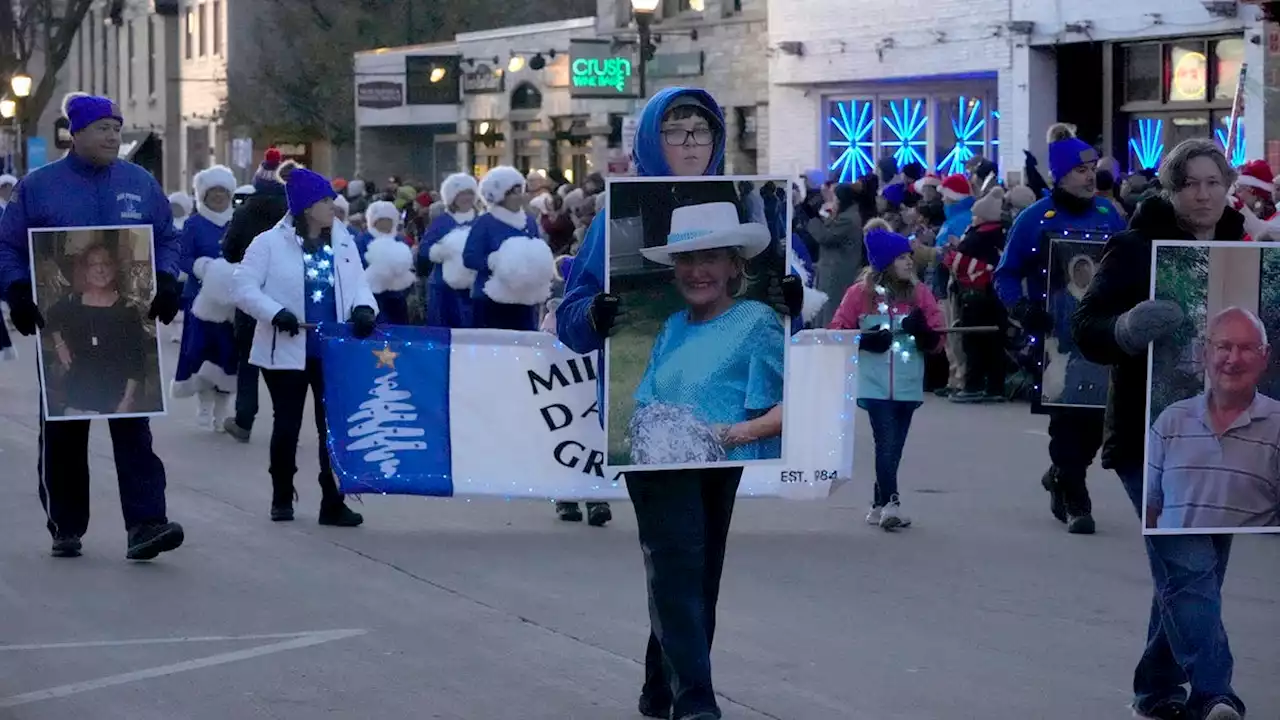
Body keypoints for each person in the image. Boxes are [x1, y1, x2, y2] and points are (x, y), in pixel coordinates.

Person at [557, 86, 802, 720]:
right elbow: (573, 316)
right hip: (653, 441)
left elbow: (785, 337)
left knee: (699, 570)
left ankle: (659, 686)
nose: (690, 143)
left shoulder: (741, 204)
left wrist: (795, 302)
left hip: (721, 440)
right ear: (650, 140)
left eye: (700, 131)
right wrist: (596, 313)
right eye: (676, 132)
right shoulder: (618, 213)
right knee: (676, 560)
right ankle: (697, 704)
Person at [1073, 138, 1249, 720]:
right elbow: (1086, 327)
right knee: (1187, 563)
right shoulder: (1133, 247)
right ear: (1171, 191)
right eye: (1191, 183)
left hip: (1229, 435)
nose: (1203, 194)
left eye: (1213, 183)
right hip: (1148, 434)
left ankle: (1154, 691)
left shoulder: (1244, 249)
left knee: (1194, 570)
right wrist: (1125, 327)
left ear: (1229, 189)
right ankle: (1214, 695)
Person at [0, 91, 184, 560]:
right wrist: (18, 291)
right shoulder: (39, 187)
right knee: (65, 429)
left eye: (118, 128)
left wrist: (166, 279)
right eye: (103, 128)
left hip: (126, 325)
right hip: (66, 326)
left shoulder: (139, 183)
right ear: (75, 133)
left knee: (133, 425)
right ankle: (67, 523)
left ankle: (146, 524)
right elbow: (8, 247)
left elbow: (166, 237)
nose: (113, 136)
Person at [995, 122, 1127, 535]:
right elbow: (1005, 274)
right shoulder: (1035, 218)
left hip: (1103, 336)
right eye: (1080, 169)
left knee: (1094, 423)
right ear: (1060, 174)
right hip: (1056, 338)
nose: (1090, 175)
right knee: (1066, 420)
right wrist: (1021, 308)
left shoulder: (1110, 213)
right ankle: (1075, 495)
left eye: (1092, 167)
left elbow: (1129, 265)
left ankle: (1060, 474)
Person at [232, 167, 376, 526]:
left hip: (333, 350)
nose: (333, 206)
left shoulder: (344, 241)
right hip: (286, 348)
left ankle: (333, 499)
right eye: (325, 200)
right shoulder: (268, 243)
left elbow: (360, 283)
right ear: (306, 206)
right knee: (287, 425)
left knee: (332, 427)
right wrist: (274, 312)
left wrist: (364, 308)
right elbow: (244, 288)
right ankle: (282, 496)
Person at [627, 202, 787, 464]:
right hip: (668, 479)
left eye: (710, 257)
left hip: (731, 480)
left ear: (734, 265)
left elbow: (794, 402)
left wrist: (728, 435)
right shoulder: (672, 327)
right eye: (686, 259)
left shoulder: (756, 321)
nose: (696, 271)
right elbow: (646, 405)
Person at [829, 226, 944, 529]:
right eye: (902, 257)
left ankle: (877, 504)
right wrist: (864, 340)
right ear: (885, 263)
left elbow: (938, 339)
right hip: (874, 384)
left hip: (907, 384)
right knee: (886, 442)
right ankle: (892, 503)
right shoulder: (859, 295)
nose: (909, 262)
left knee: (894, 447)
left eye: (910, 256)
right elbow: (838, 330)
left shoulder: (920, 294)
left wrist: (924, 334)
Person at [1147, 307, 1280, 530]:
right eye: (1224, 347)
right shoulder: (1170, 421)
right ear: (1205, 354)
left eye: (1246, 348)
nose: (1234, 359)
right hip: (1175, 563)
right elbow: (1148, 510)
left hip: (1251, 563)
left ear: (1264, 357)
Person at [219, 150, 288, 442]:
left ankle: (244, 419)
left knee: (248, 361)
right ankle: (286, 422)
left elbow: (229, 250)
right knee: (283, 363)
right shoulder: (293, 212)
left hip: (251, 296)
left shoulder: (245, 212)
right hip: (286, 295)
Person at [44, 240, 150, 416]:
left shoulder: (127, 310)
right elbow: (51, 318)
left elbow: (137, 360)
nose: (100, 270)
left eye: (106, 264)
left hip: (112, 400)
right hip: (75, 397)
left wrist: (127, 400)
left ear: (114, 268)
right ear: (85, 271)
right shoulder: (72, 302)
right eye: (93, 265)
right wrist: (59, 344)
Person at [172, 164, 238, 431]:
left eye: (223, 191)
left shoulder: (238, 222)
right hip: (198, 301)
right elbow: (183, 258)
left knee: (228, 355)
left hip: (232, 304)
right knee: (198, 351)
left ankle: (223, 410)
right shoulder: (193, 224)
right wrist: (201, 267)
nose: (219, 196)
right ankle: (204, 404)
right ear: (204, 195)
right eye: (214, 192)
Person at [462, 166, 554, 331]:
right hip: (490, 298)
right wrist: (493, 261)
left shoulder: (529, 221)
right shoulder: (485, 222)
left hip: (524, 298)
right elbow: (469, 257)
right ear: (500, 196)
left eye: (521, 191)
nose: (520, 196)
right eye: (514, 192)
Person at [945, 187, 1007, 403]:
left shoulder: (977, 238)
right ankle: (995, 386)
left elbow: (958, 263)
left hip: (975, 296)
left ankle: (973, 385)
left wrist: (950, 253)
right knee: (994, 343)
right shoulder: (1002, 235)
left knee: (973, 341)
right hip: (996, 298)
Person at [1042, 254, 1108, 406]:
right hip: (1067, 350)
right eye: (1078, 271)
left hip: (1092, 350)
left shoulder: (1098, 296)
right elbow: (1053, 324)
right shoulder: (1060, 298)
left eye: (1085, 271)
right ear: (1072, 272)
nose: (1082, 274)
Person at [419, 173, 479, 329]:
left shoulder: (481, 220)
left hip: (472, 290)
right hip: (443, 289)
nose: (467, 198)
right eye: (462, 194)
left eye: (470, 193)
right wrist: (441, 251)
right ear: (452, 197)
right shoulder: (442, 222)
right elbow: (424, 250)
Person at [810, 182, 863, 328]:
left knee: (831, 309)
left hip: (837, 272)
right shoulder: (845, 215)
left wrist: (812, 220)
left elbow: (825, 237)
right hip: (833, 270)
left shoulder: (848, 218)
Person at [355, 200, 414, 325]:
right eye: (381, 220)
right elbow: (358, 263)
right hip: (372, 295)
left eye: (388, 220)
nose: (385, 224)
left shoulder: (399, 239)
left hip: (397, 295)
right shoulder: (362, 239)